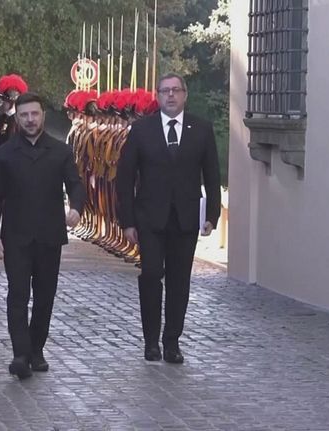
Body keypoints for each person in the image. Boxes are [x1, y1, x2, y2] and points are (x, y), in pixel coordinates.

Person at [116, 73, 221, 364]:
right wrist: (127, 221)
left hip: (185, 219)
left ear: (185, 95)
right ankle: (151, 341)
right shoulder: (142, 130)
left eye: (176, 90)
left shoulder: (201, 129)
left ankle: (172, 341)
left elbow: (212, 175)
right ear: (158, 96)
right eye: (165, 91)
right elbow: (125, 177)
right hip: (149, 217)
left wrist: (212, 214)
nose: (171, 95)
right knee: (151, 275)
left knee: (179, 280)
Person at [0, 92, 87, 379]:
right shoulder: (5, 153)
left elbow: (76, 185)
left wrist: (76, 208)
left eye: (34, 114)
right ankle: (20, 353)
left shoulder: (60, 151)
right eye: (24, 115)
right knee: (18, 295)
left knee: (45, 297)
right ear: (17, 118)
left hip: (49, 236)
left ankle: (36, 349)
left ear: (43, 115)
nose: (30, 120)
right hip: (16, 236)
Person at [0, 74, 28, 147]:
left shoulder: (17, 120)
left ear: (12, 102)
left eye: (5, 100)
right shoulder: (7, 116)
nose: (3, 103)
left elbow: (9, 139)